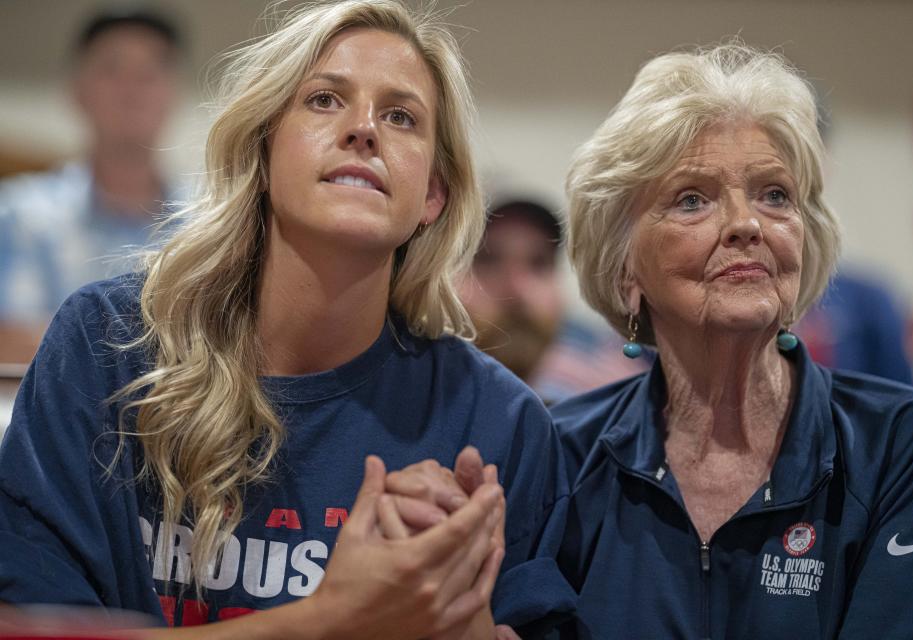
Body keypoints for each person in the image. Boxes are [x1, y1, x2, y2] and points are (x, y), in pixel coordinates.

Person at [0, 2, 571, 638]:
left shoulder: (500, 425)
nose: (364, 130)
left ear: (432, 195)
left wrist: (457, 615)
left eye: (401, 116)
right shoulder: (107, 346)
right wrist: (332, 619)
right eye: (325, 100)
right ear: (263, 151)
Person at [525, 43, 913, 638]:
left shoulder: (911, 448)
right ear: (626, 271)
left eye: (774, 194)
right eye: (692, 199)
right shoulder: (558, 458)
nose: (746, 224)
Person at [0, 7, 181, 363]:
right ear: (77, 90)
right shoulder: (20, 212)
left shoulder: (211, 218)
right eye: (112, 69)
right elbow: (10, 336)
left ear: (172, 93)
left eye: (149, 72)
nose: (131, 89)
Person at [460, 199, 648, 405]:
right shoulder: (425, 398)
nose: (516, 289)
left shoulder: (615, 399)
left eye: (539, 263)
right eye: (490, 260)